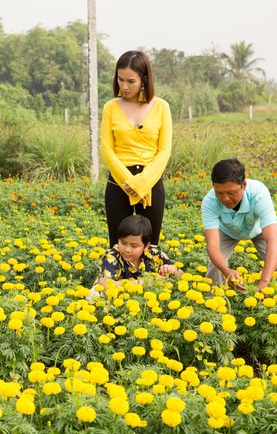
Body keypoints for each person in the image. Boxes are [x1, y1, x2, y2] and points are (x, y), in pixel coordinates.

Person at [101, 50, 172, 248]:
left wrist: (142, 183)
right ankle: (116, 280)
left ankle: (148, 280)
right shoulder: (110, 107)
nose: (124, 86)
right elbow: (107, 148)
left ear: (144, 79)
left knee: (150, 245)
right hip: (119, 184)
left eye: (131, 81)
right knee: (118, 245)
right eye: (120, 79)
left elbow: (164, 150)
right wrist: (130, 183)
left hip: (151, 184)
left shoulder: (161, 107)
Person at [201, 158, 277, 292]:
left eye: (231, 193)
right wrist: (226, 271)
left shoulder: (259, 193)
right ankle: (213, 302)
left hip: (258, 229)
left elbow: (273, 242)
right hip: (227, 230)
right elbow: (212, 245)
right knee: (215, 268)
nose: (225, 199)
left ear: (244, 185)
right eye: (219, 193)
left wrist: (264, 281)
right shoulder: (210, 201)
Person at [93, 215, 181, 294]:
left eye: (134, 246)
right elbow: (105, 285)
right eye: (123, 243)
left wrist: (172, 270)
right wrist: (146, 282)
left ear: (146, 246)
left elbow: (182, 275)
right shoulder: (112, 256)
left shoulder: (154, 253)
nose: (127, 250)